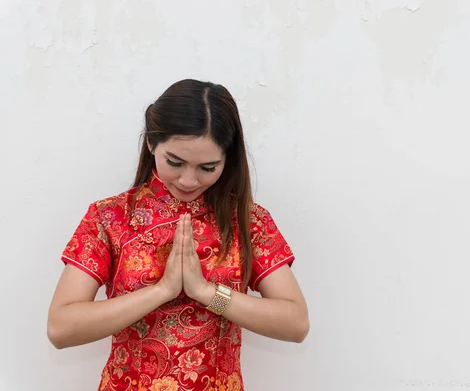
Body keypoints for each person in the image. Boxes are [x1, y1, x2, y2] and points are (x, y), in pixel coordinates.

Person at [47, 79, 310, 391]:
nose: (188, 179)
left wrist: (208, 293)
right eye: (175, 162)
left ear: (228, 157)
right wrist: (161, 290)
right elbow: (60, 327)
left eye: (207, 167)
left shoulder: (247, 220)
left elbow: (296, 323)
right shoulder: (110, 217)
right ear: (151, 143)